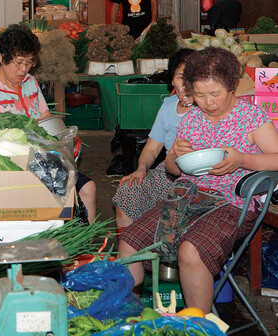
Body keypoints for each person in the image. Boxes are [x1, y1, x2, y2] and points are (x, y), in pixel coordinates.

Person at [118, 47, 278, 313]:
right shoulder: (192, 119)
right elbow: (173, 168)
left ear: (232, 86)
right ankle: (132, 314)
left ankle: (198, 323)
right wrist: (175, 156)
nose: (208, 102)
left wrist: (243, 160)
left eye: (215, 94)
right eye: (200, 95)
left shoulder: (251, 117)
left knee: (191, 250)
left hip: (233, 203)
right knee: (129, 244)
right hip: (185, 197)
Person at [0, 24, 97, 223]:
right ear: (3, 58)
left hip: (43, 158)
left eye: (29, 63)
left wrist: (64, 139)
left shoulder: (30, 82)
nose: (24, 70)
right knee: (57, 192)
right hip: (14, 165)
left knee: (88, 188)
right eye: (19, 63)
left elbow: (45, 117)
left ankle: (89, 251)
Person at [113, 49, 194, 230]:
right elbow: (152, 148)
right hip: (166, 172)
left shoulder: (206, 108)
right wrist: (141, 169)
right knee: (128, 191)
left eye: (193, 77)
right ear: (172, 80)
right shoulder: (168, 105)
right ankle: (130, 252)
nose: (187, 84)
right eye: (181, 77)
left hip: (195, 177)